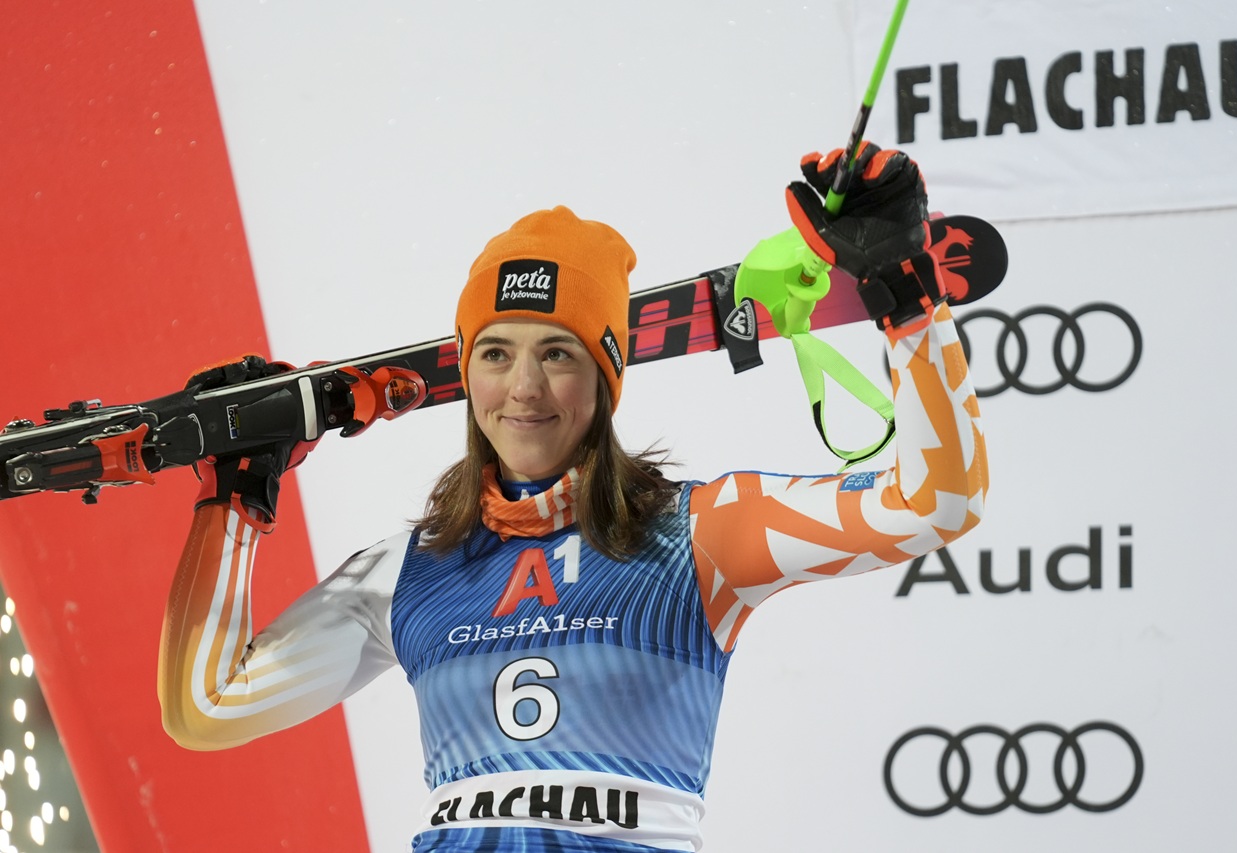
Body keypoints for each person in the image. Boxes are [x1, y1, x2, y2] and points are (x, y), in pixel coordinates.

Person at [157, 142, 988, 853]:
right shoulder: (406, 570)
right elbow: (205, 706)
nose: (522, 388)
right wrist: (238, 492)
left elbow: (936, 502)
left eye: (557, 352)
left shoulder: (700, 533)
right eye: (495, 353)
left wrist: (905, 294)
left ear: (606, 373)